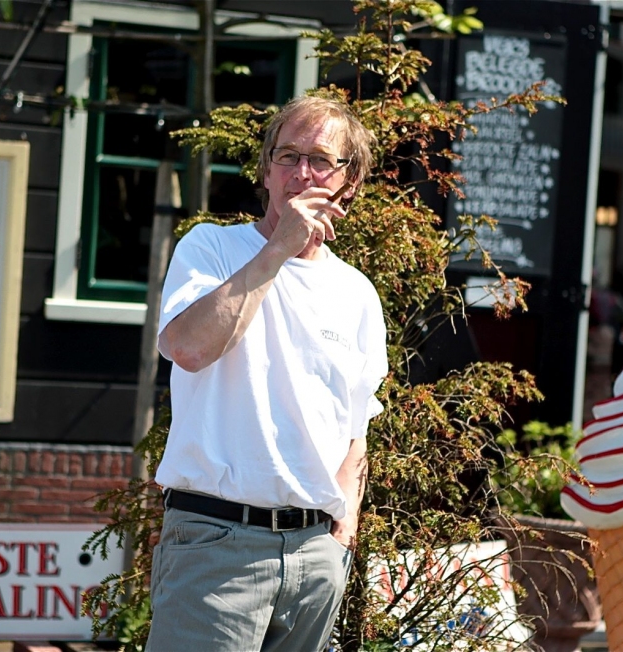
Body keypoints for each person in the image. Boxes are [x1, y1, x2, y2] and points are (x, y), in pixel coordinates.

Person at [147, 95, 388, 652]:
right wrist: (277, 249)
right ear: (265, 170)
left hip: (314, 557)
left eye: (321, 159)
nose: (302, 172)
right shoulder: (211, 248)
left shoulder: (357, 294)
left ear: (347, 182)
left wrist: (343, 529)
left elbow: (356, 427)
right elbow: (186, 348)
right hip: (215, 543)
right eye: (287, 156)